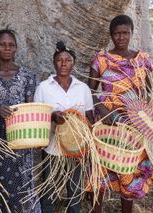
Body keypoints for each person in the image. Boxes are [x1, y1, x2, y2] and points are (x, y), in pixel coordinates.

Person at [88, 15, 153, 213]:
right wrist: (104, 111)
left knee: (129, 171)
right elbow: (88, 92)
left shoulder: (143, 60)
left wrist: (141, 115)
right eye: (117, 33)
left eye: (125, 33)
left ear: (131, 33)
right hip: (108, 125)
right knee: (100, 170)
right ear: (111, 35)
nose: (121, 37)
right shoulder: (101, 60)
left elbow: (148, 93)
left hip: (134, 125)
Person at [0, 29, 41, 213]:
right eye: (2, 44)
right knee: (0, 181)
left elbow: (31, 108)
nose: (7, 48)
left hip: (22, 139)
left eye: (11, 45)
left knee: (24, 182)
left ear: (16, 48)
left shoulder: (27, 76)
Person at [34, 41, 94, 213]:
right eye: (60, 60)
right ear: (54, 62)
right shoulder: (44, 87)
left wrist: (86, 146)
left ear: (73, 63)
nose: (63, 63)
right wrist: (53, 116)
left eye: (68, 60)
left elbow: (89, 117)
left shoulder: (83, 88)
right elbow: (38, 116)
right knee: (48, 191)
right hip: (52, 148)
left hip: (77, 149)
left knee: (74, 192)